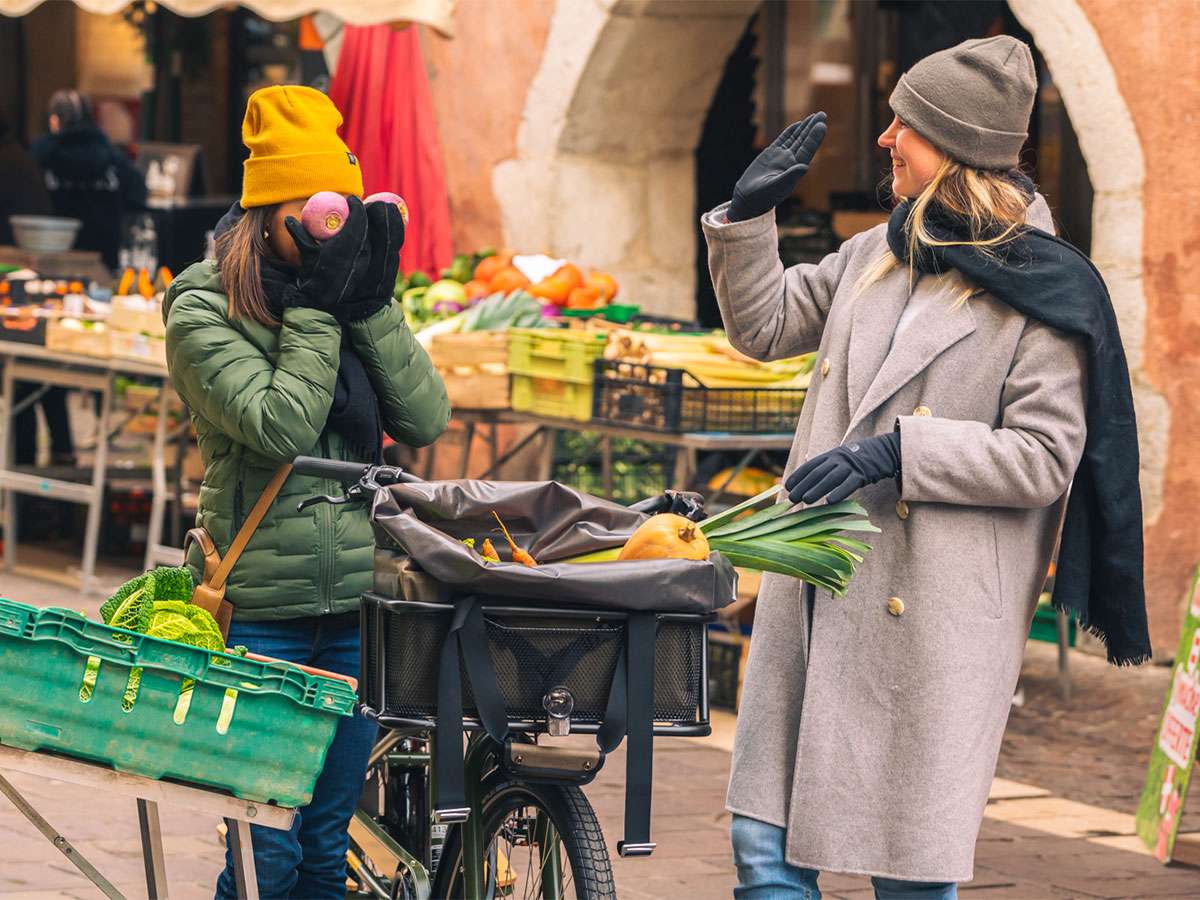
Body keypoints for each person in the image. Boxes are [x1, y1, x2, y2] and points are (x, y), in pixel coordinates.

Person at [703, 37, 1149, 899]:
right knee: (765, 855)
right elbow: (763, 329)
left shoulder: (1047, 289)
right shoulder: (880, 250)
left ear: (954, 146)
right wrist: (747, 219)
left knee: (904, 877)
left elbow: (1046, 456)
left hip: (927, 617)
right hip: (819, 595)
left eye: (903, 123)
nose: (884, 138)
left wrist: (901, 450)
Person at [163, 85, 450, 899]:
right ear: (266, 217)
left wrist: (371, 304)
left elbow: (425, 416)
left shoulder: (343, 299)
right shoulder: (201, 305)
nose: (334, 231)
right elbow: (281, 424)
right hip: (261, 613)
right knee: (267, 852)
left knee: (325, 848)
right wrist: (320, 310)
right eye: (317, 213)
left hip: (356, 610)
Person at [32, 89, 147, 270]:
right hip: (103, 265)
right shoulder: (113, 158)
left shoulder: (38, 157)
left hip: (50, 264)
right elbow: (138, 194)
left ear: (54, 121)